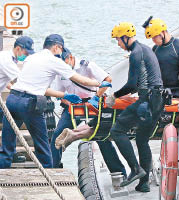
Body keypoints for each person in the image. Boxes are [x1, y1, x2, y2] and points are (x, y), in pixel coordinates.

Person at [56, 22, 164, 191]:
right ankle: (143, 185)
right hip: (156, 100)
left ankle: (135, 169)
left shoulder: (136, 53)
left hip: (147, 101)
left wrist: (115, 96)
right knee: (142, 141)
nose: (118, 44)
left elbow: (131, 84)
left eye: (118, 40)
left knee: (116, 130)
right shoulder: (145, 49)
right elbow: (138, 84)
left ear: (126, 37)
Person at [0, 34, 106, 169]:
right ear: (57, 47)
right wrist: (100, 83)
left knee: (7, 143)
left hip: (13, 99)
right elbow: (82, 80)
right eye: (61, 50)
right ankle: (49, 173)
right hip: (30, 104)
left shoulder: (32, 58)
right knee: (42, 144)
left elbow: (38, 87)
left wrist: (64, 95)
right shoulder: (55, 61)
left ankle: (3, 173)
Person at [51, 48, 127, 178]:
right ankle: (53, 169)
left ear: (70, 57)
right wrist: (70, 103)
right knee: (58, 134)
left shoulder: (86, 65)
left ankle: (119, 172)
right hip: (74, 105)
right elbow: (60, 94)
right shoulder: (60, 72)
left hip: (93, 103)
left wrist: (97, 97)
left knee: (101, 137)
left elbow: (107, 79)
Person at [143, 16, 179, 97]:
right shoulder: (155, 49)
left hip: (177, 93)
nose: (153, 40)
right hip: (161, 92)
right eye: (152, 38)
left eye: (155, 36)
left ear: (163, 32)